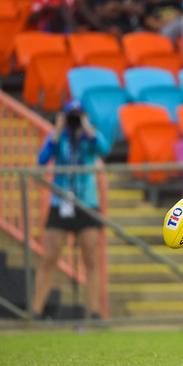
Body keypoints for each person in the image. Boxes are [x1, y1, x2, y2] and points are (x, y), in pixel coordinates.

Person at [33, 101, 110, 320]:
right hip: (61, 203)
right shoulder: (59, 138)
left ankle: (93, 311)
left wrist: (87, 127)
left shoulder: (89, 137)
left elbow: (103, 149)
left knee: (91, 259)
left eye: (77, 115)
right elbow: (42, 159)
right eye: (71, 116)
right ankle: (36, 311)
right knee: (49, 256)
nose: (74, 120)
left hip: (86, 202)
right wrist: (56, 131)